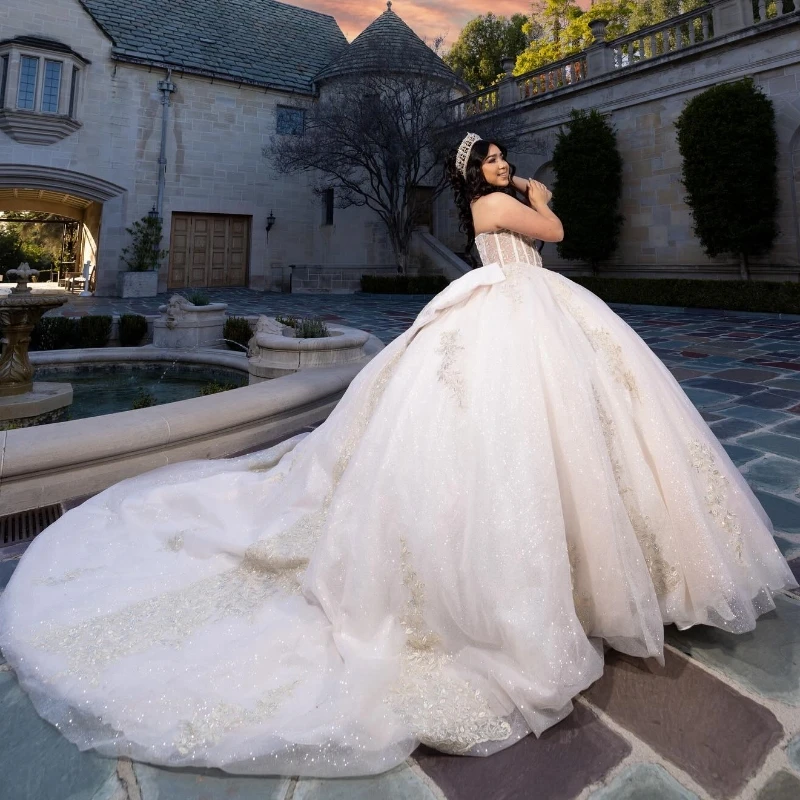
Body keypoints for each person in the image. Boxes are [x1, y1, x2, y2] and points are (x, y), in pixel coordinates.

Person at [0, 133, 795, 778]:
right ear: (471, 177)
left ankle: (614, 568)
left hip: (539, 316)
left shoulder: (494, 199)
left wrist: (532, 196)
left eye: (501, 157)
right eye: (487, 160)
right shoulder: (498, 203)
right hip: (514, 319)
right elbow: (552, 234)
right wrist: (541, 198)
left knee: (592, 430)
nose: (501, 166)